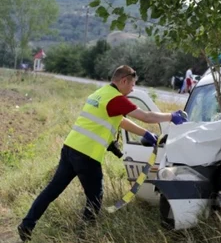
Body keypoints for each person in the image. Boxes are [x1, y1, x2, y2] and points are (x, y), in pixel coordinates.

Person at [17, 65, 188, 242]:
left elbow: (119, 121)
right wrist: (171, 116)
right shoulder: (116, 99)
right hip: (87, 155)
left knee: (52, 190)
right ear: (123, 81)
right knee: (95, 198)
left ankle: (26, 225)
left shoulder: (99, 94)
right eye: (132, 85)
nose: (133, 89)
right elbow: (146, 116)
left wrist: (145, 134)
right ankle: (83, 236)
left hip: (70, 148)